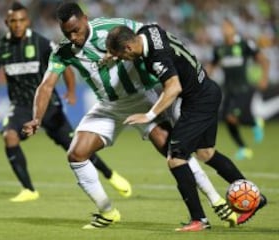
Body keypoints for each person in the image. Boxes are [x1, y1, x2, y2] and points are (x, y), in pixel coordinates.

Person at [23, 2, 237, 230]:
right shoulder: (63, 51)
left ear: (85, 19)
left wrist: (118, 55)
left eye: (76, 30)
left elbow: (144, 39)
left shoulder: (112, 26)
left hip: (142, 98)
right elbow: (46, 86)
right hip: (108, 106)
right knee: (76, 154)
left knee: (174, 149)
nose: (73, 37)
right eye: (68, 33)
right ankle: (107, 211)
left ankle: (216, 201)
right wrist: (37, 117)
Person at [105, 23, 267, 231]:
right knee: (206, 153)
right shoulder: (149, 30)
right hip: (208, 90)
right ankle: (255, 198)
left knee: (176, 158)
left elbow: (173, 88)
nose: (124, 59)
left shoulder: (157, 57)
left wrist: (149, 115)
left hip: (198, 102)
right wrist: (114, 55)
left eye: (122, 55)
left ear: (128, 47)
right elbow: (138, 44)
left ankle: (199, 219)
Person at [0, 1, 132, 202]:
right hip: (20, 106)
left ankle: (110, 174)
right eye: (13, 21)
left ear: (27, 21)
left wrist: (71, 91)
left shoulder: (42, 43)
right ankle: (29, 189)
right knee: (9, 136)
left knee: (76, 147)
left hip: (49, 105)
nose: (17, 24)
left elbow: (66, 65)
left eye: (21, 20)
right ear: (6, 22)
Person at [207, 19, 269, 160]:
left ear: (234, 28)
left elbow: (263, 60)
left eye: (227, 27)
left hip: (244, 87)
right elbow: (212, 65)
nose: (224, 30)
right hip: (228, 89)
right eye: (222, 27)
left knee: (231, 116)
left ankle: (254, 123)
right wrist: (202, 78)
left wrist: (264, 78)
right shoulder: (219, 48)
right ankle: (244, 148)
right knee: (227, 118)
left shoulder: (245, 44)